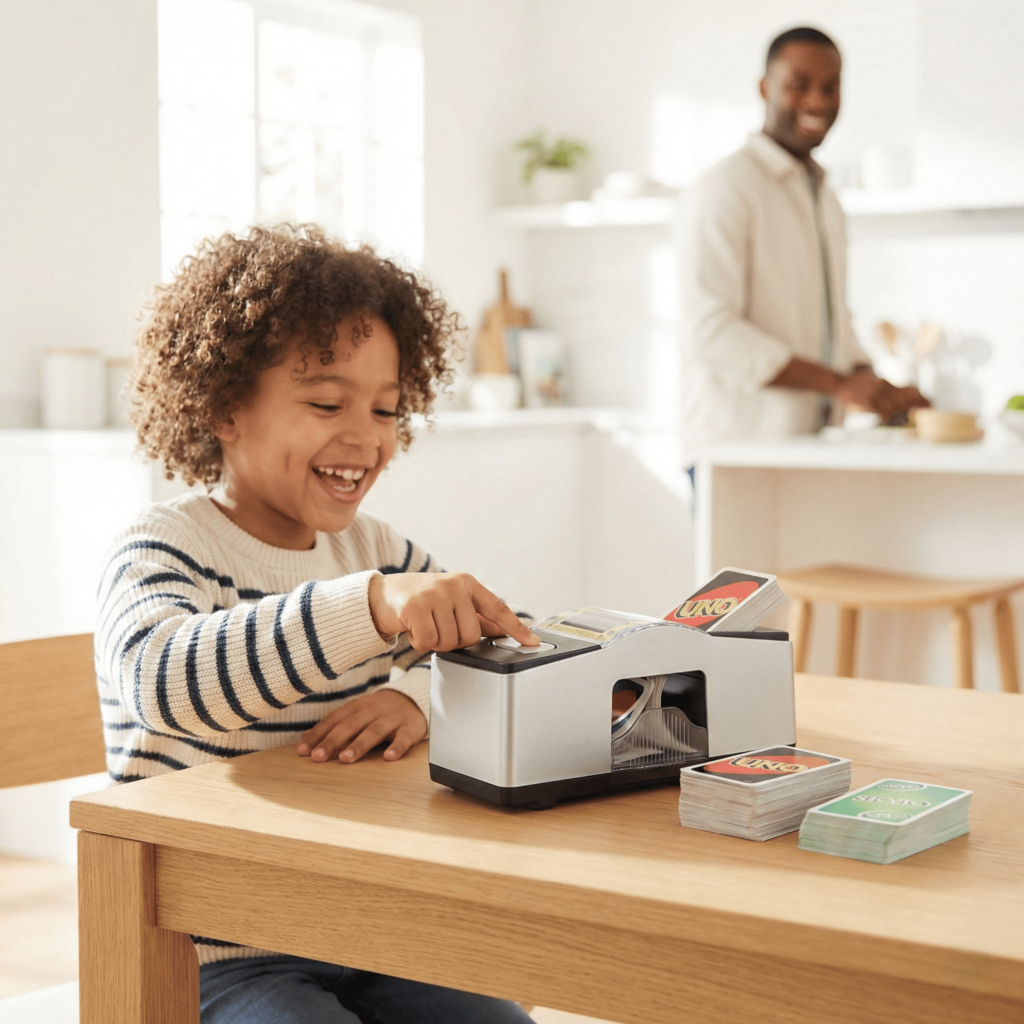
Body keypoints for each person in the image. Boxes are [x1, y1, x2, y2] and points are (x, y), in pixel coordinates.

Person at [97, 225, 538, 1024]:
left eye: (387, 409)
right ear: (226, 406)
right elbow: (163, 681)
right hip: (209, 952)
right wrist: (367, 607)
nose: (366, 436)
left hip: (363, 927)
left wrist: (411, 692)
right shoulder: (166, 546)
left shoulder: (371, 549)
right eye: (327, 402)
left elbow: (496, 639)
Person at [677, 25, 927, 462]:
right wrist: (836, 384)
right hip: (737, 454)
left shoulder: (825, 198)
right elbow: (711, 332)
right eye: (800, 85)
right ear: (764, 87)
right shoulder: (725, 189)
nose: (818, 101)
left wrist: (877, 389)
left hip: (809, 453)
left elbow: (831, 323)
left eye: (831, 87)